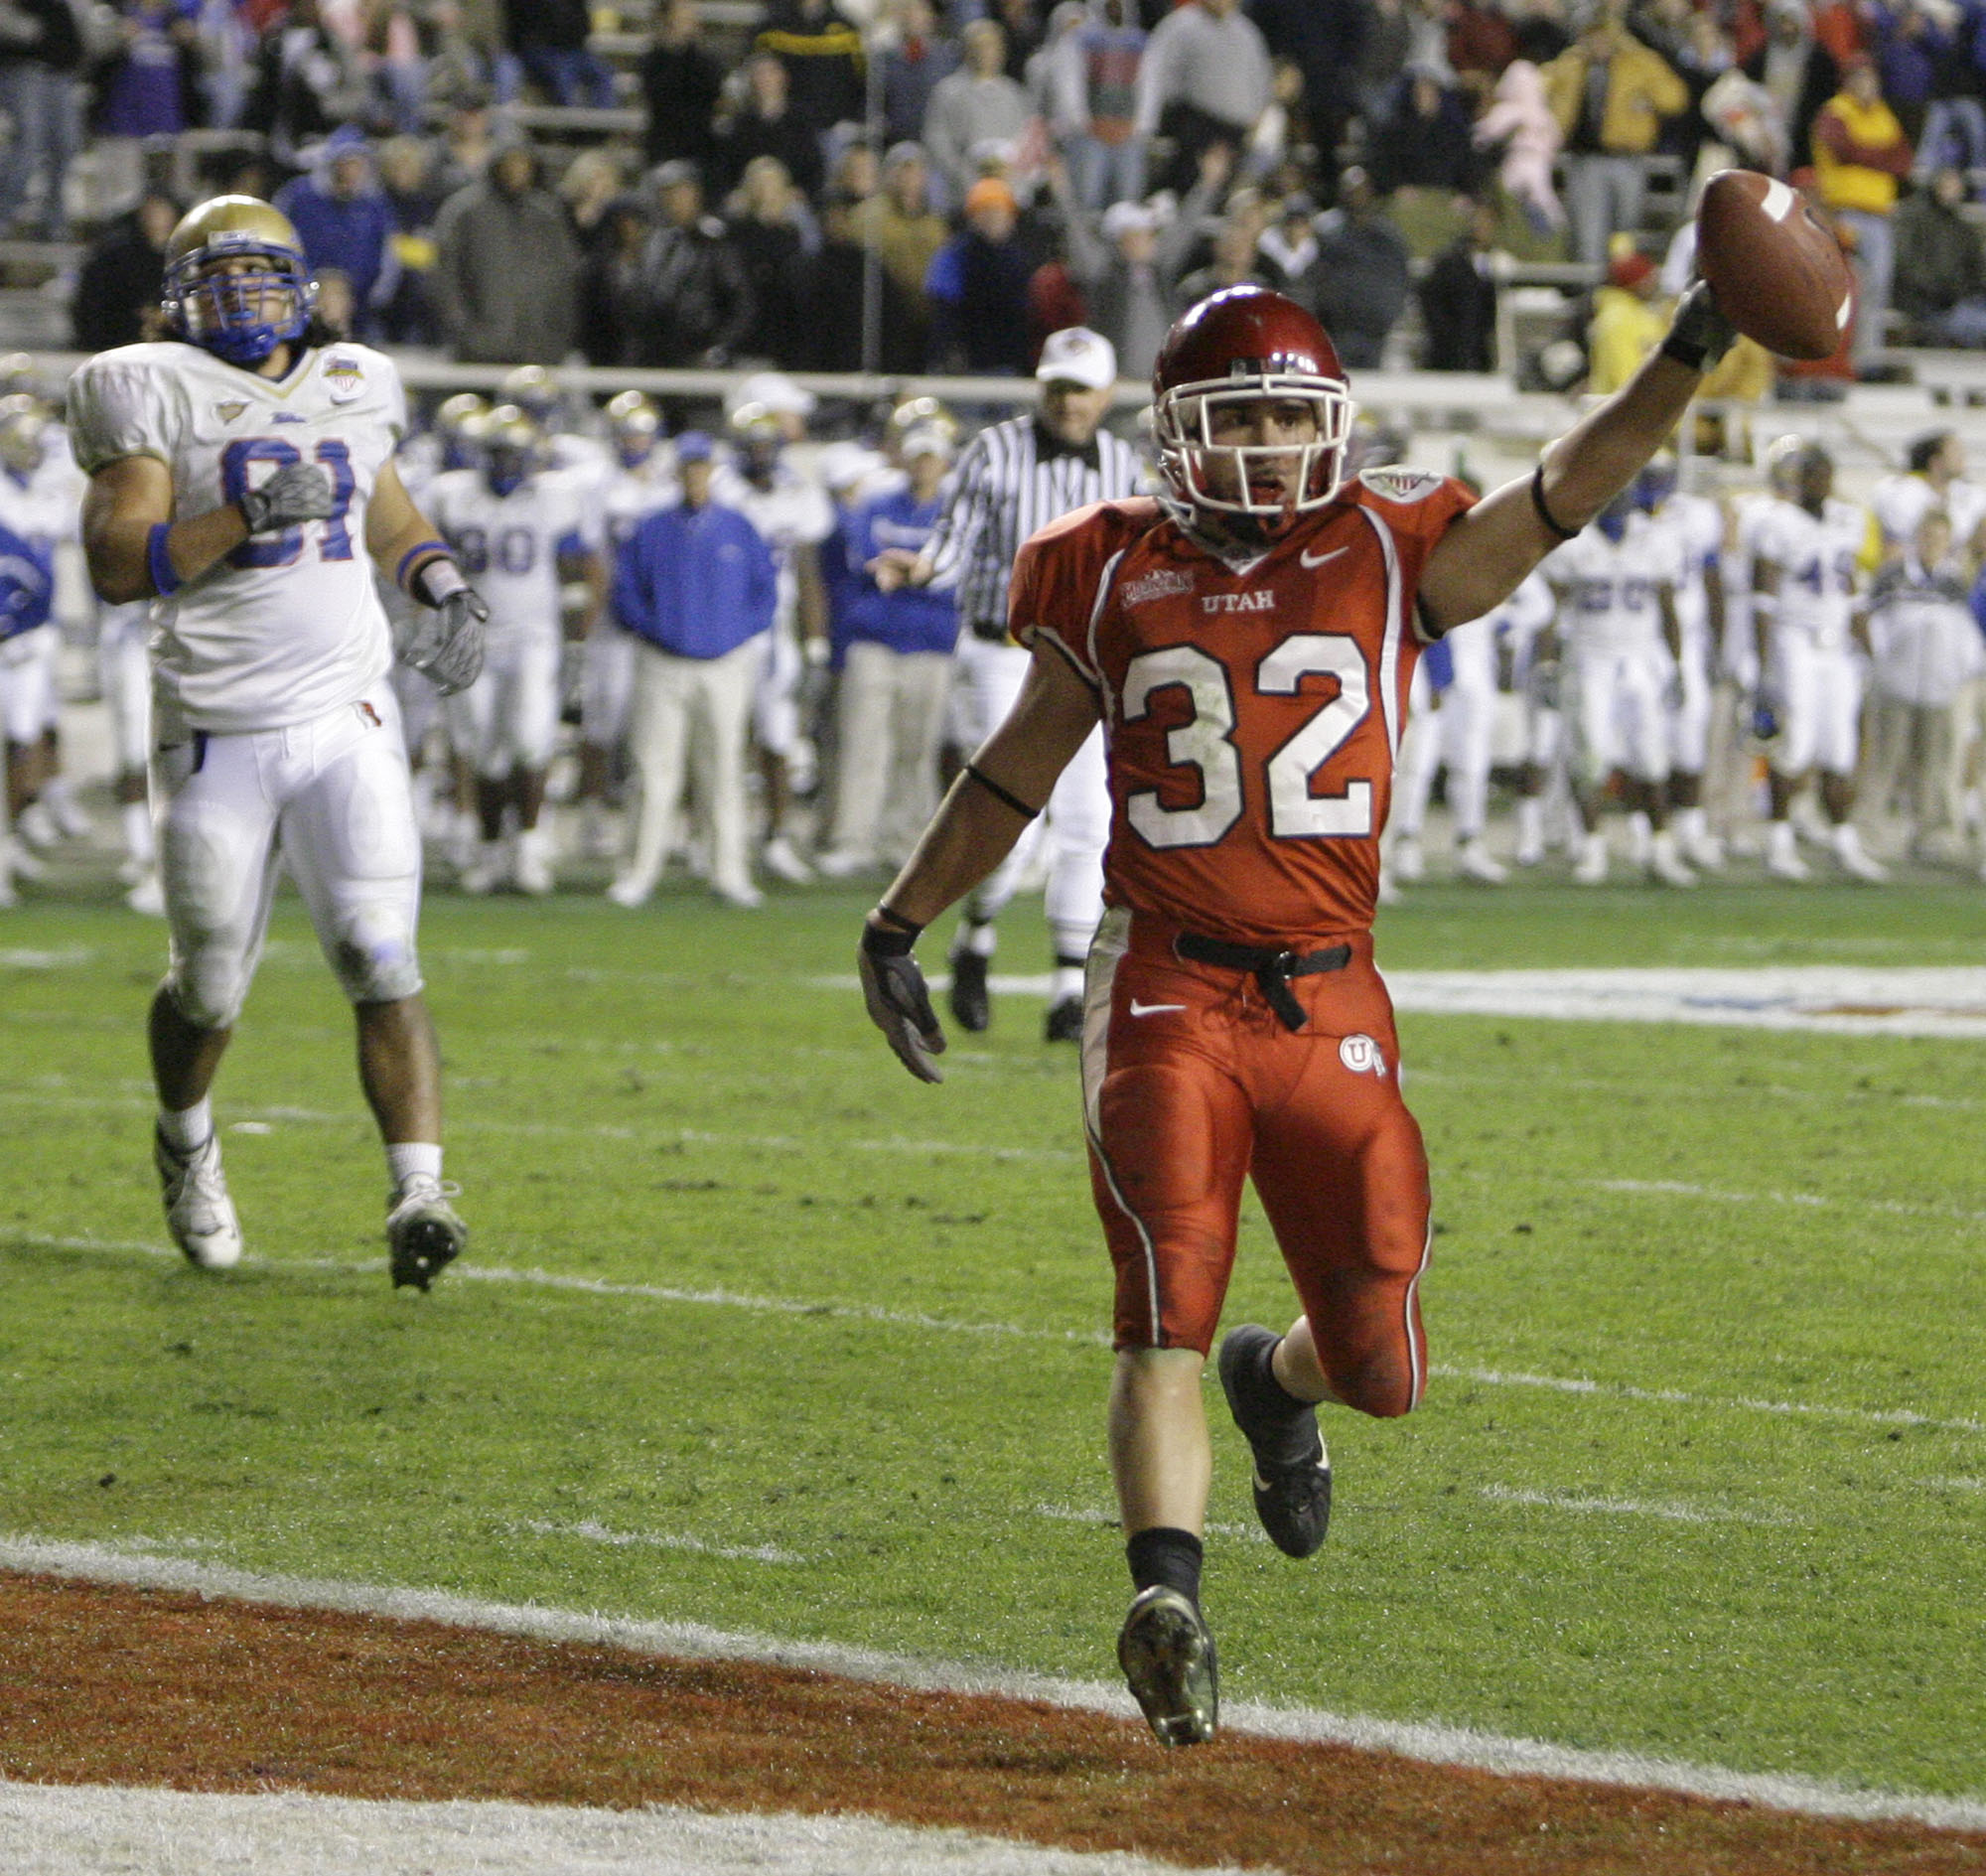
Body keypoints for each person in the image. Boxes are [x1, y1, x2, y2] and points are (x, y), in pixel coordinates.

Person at [855, 277, 1736, 1745]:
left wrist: (1687, 352)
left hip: (1330, 991)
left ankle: (1285, 1382)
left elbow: (1573, 484)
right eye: (1238, 417)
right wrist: (900, 917)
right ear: (1174, 434)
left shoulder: (1392, 545)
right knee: (1160, 1309)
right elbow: (1015, 770)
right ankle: (1169, 1600)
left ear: (1331, 426)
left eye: (1286, 416)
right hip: (1165, 986)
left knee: (1385, 1360)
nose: (1265, 446)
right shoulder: (1102, 565)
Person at [67, 195, 488, 1287]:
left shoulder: (358, 379)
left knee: (379, 949)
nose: (245, 295)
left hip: (345, 709)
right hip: (214, 725)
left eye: (263, 273)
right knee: (208, 980)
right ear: (178, 296)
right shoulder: (145, 384)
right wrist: (245, 517)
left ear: (301, 283)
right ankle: (186, 1136)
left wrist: (439, 584)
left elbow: (384, 513)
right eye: (219, 275)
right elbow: (121, 565)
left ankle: (419, 1189)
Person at [871, 325, 1142, 1043]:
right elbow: (957, 536)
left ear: (1107, 394)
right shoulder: (994, 450)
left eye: (1081, 389)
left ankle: (1064, 988)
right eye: (1057, 386)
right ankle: (977, 935)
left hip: (1086, 664)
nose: (1069, 402)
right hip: (1003, 649)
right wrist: (925, 566)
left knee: (1090, 823)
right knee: (1013, 826)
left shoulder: (1124, 462)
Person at [427, 404, 601, 895]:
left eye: (514, 455)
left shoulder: (554, 498)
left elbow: (581, 569)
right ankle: (488, 848)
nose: (506, 465)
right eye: (498, 454)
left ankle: (526, 846)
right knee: (482, 747)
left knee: (529, 740)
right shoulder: (453, 496)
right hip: (472, 636)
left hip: (533, 637)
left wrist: (577, 635)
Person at [609, 431, 776, 910]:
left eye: (703, 467)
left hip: (724, 664)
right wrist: (658, 630)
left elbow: (765, 594)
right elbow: (626, 594)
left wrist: (734, 635)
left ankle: (729, 872)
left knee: (723, 769)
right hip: (662, 662)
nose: (695, 476)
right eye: (689, 467)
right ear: (677, 471)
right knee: (652, 770)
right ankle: (638, 871)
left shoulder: (739, 527)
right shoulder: (651, 528)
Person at [815, 410, 960, 879]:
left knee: (917, 750)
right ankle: (852, 840)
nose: (923, 466)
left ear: (944, 462)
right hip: (874, 639)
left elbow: (954, 572)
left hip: (931, 643)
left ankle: (907, 843)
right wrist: (919, 570)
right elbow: (865, 558)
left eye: (931, 458)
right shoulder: (877, 504)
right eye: (917, 457)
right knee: (862, 744)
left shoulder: (956, 513)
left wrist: (911, 571)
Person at [1539, 487, 1697, 885]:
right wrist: (1546, 663)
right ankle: (1591, 848)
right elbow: (1550, 611)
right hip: (1589, 657)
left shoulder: (1653, 539)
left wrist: (1676, 665)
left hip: (1640, 656)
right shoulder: (1573, 541)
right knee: (1589, 755)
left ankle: (1660, 849)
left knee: (1652, 754)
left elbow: (1668, 608)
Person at [1752, 442, 1886, 880]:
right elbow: (1763, 599)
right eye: (1811, 474)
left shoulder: (1846, 519)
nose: (1820, 482)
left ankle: (1843, 842)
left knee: (1840, 748)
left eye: (1825, 474)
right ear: (1796, 478)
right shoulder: (1778, 523)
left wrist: (1867, 647)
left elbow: (1851, 589)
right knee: (1795, 743)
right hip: (1795, 638)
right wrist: (1764, 660)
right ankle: (1779, 843)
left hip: (1836, 645)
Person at [432, 139, 580, 363]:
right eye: (510, 164)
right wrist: (465, 332)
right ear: (496, 166)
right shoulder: (465, 211)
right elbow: (445, 275)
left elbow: (565, 279)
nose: (516, 171)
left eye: (523, 164)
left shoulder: (547, 215)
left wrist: (556, 336)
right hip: (479, 348)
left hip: (538, 348)